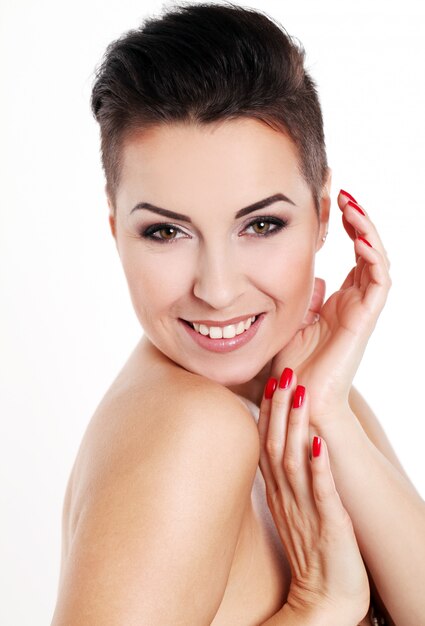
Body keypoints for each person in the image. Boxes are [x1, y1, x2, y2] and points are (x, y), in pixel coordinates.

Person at [51, 2, 425, 625]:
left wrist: (327, 409)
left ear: (324, 216)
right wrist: (318, 607)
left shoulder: (303, 388)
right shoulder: (189, 432)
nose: (218, 290)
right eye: (166, 232)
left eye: (261, 224)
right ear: (116, 231)